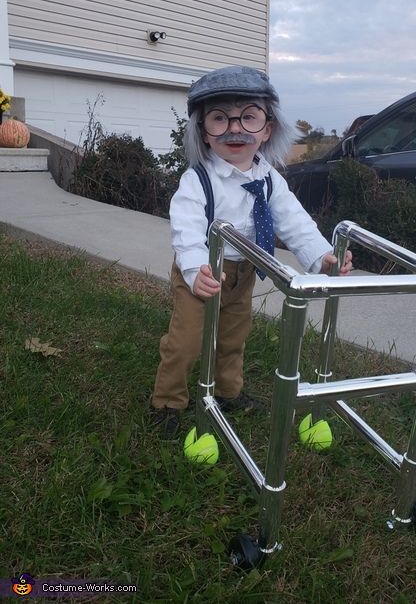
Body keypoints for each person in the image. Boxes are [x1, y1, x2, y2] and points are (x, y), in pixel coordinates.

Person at [150, 66, 353, 437]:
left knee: (233, 335)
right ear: (203, 133)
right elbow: (186, 228)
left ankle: (228, 391)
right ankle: (167, 401)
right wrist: (195, 270)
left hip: (242, 273)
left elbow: (295, 221)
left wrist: (321, 255)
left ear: (267, 128)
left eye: (248, 117)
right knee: (186, 340)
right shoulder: (197, 180)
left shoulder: (270, 179)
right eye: (219, 119)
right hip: (202, 272)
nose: (235, 128)